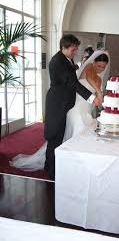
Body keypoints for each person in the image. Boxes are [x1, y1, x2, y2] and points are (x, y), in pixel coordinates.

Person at [10, 49, 110, 179]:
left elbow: (96, 95)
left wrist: (101, 98)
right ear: (93, 62)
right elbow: (90, 79)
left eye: (103, 67)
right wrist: (99, 92)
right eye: (98, 65)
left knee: (76, 135)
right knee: (78, 133)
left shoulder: (100, 78)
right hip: (76, 107)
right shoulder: (89, 67)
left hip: (86, 109)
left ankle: (69, 162)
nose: (100, 69)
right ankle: (72, 165)